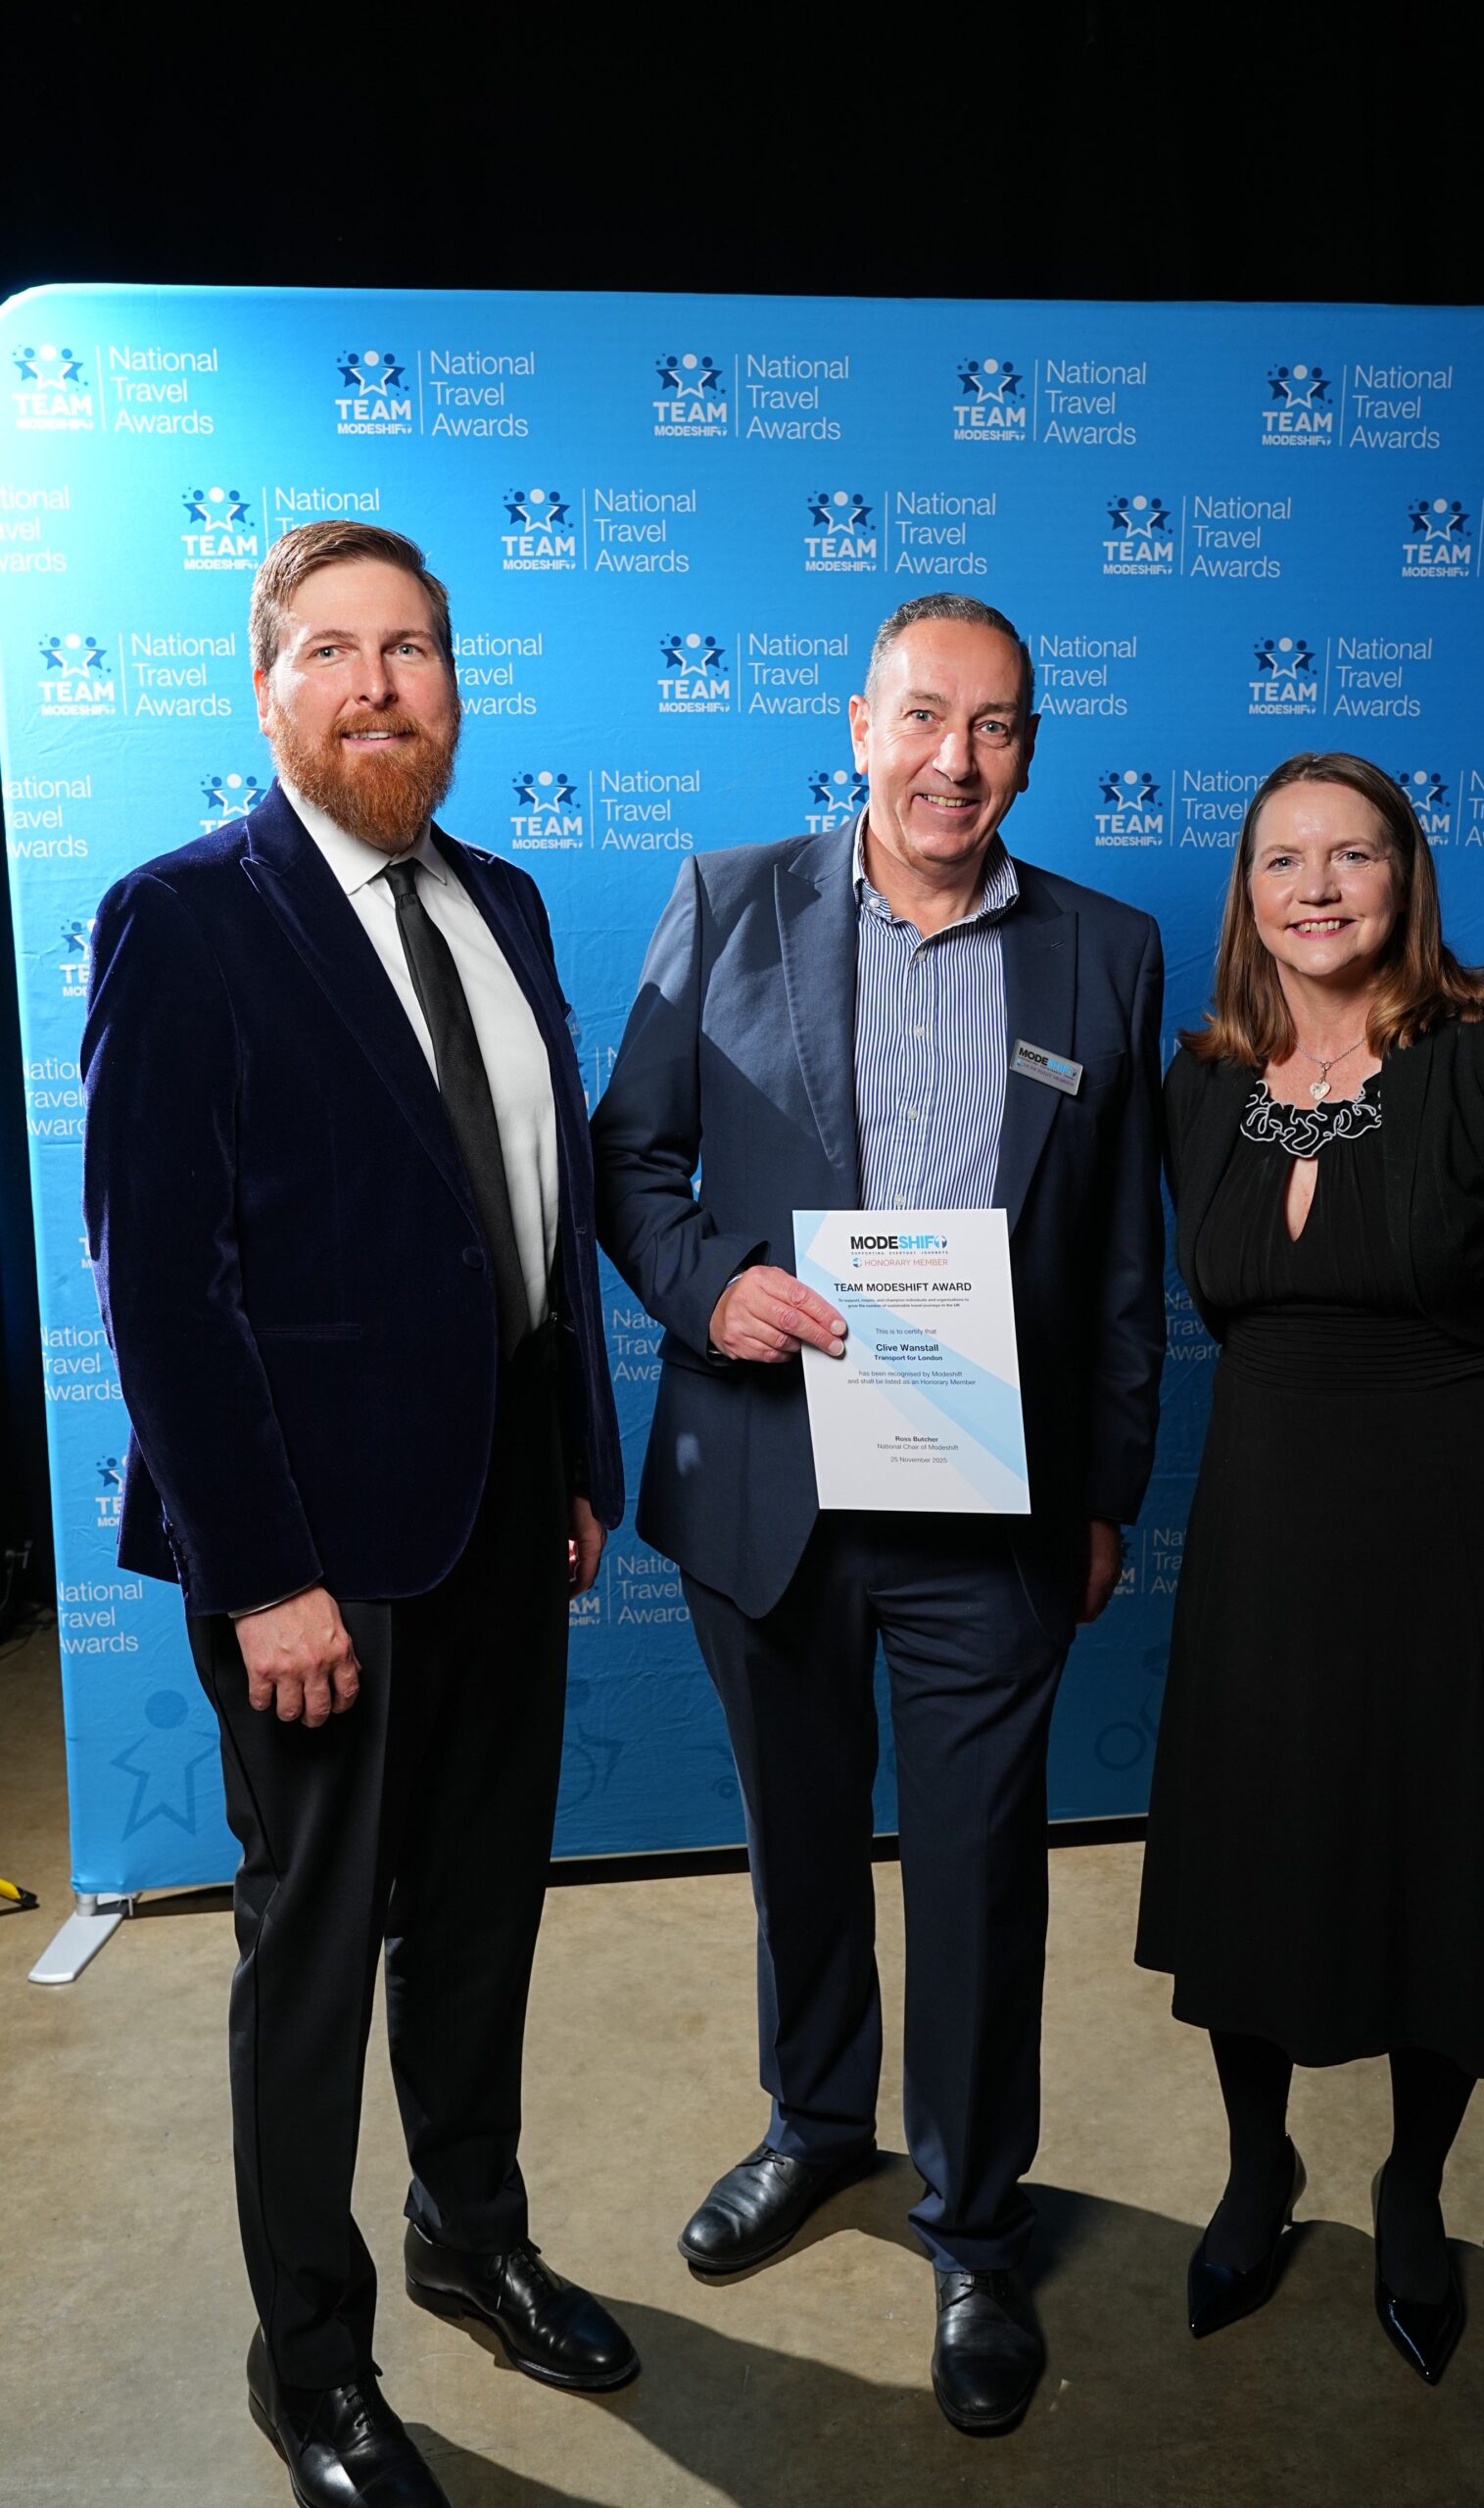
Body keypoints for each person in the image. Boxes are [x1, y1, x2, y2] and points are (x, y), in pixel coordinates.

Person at [82, 522, 637, 2508]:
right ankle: (306, 2355)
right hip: (310, 1544)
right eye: (333, 649)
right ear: (267, 686)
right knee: (312, 1953)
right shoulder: (185, 916)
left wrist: (572, 1452)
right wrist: (265, 1574)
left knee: (479, 1917)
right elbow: (166, 1282)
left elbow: (536, 1206)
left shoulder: (506, 896)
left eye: (413, 649)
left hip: (501, 1505)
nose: (379, 685)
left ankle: (467, 2235)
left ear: (456, 685)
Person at [592, 593, 1165, 2435]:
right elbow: (629, 1157)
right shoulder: (729, 898)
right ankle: (814, 2126)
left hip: (992, 1512)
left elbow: (1123, 1263)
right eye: (924, 719)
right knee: (803, 1845)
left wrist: (1105, 1496)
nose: (956, 762)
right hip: (770, 1480)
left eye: (996, 727)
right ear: (858, 726)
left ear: (1031, 749)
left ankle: (979, 2226)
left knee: (986, 1876)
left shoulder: (1108, 951)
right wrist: (707, 1290)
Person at [1134, 750, 1484, 2385]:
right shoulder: (1200, 1083)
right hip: (1264, 1527)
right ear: (1248, 894)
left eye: (1355, 856)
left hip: (1459, 1541)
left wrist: (1469, 1424)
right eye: (1286, 860)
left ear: (1406, 881)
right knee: (1253, 1849)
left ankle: (1414, 2188)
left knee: (1439, 1860)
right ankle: (1259, 2164)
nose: (1320, 887)